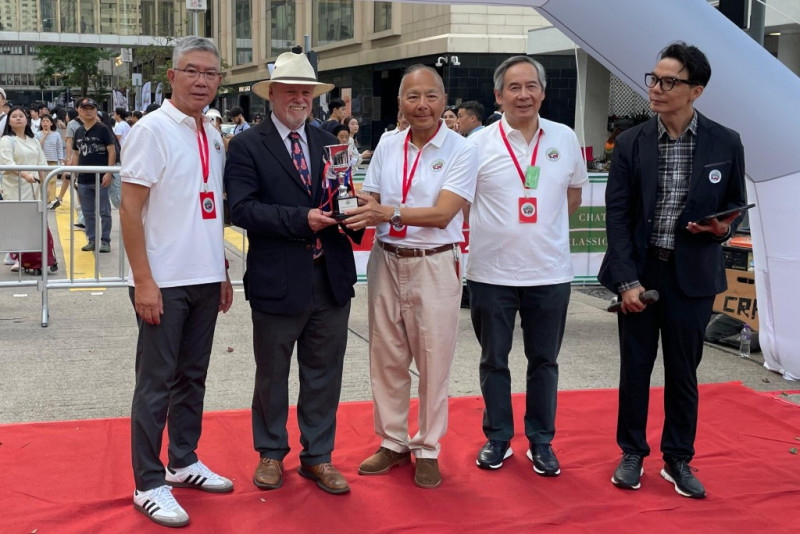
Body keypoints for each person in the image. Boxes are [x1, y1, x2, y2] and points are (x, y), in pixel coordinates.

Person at [598, 42, 746, 499]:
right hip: (642, 274)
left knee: (684, 372)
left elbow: (734, 207)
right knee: (635, 368)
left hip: (693, 277)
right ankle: (632, 452)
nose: (656, 89)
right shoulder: (632, 141)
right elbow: (617, 216)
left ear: (695, 91)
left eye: (669, 82)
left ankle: (678, 458)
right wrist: (627, 281)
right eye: (654, 79)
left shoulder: (725, 141)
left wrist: (721, 229)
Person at [224, 50, 362, 496]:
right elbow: (242, 209)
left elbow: (342, 196)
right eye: (291, 91)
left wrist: (355, 212)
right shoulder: (247, 145)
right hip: (277, 281)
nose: (300, 98)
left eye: (306, 91)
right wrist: (301, 219)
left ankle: (318, 456)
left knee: (324, 374)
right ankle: (270, 452)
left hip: (330, 277)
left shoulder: (329, 143)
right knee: (272, 374)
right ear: (272, 95)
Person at [119, 36, 234, 528]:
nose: (201, 81)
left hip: (204, 275)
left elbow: (210, 209)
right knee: (156, 383)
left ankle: (183, 460)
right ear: (172, 76)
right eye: (192, 70)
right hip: (163, 280)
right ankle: (148, 482)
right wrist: (144, 281)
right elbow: (130, 210)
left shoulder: (212, 133)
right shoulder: (151, 130)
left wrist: (221, 270)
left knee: (193, 377)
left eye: (210, 73)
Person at [345, 65, 478, 489]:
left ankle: (428, 447)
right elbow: (373, 197)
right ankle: (393, 441)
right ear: (400, 101)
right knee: (387, 357)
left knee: (433, 360)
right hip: (386, 259)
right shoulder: (388, 144)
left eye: (431, 96)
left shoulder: (462, 149)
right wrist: (343, 195)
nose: (422, 105)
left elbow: (443, 214)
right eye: (413, 96)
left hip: (434, 261)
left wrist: (387, 212)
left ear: (444, 101)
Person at [465, 56, 586, 476]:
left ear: (543, 92)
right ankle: (498, 436)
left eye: (531, 86)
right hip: (490, 273)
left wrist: (540, 231)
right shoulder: (477, 144)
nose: (523, 95)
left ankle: (541, 440)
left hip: (549, 273)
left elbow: (573, 194)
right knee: (493, 360)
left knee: (545, 361)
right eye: (513, 88)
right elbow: (461, 203)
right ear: (498, 96)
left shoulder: (564, 137)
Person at [0, 106, 48, 272]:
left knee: (32, 223)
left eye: (21, 116)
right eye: (14, 116)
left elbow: (42, 163)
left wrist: (45, 184)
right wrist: (25, 175)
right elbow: (7, 163)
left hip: (33, 187)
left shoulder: (33, 140)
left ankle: (24, 257)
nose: (18, 118)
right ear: (9, 122)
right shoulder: (7, 140)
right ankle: (17, 257)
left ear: (27, 120)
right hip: (15, 187)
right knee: (18, 222)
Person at [72, 97, 115, 253]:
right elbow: (75, 154)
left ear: (96, 111)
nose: (88, 111)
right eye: (85, 109)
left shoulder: (103, 129)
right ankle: (92, 239)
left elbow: (112, 150)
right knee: (88, 212)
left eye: (92, 108)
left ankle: (105, 241)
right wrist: (74, 174)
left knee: (104, 212)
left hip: (101, 178)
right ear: (79, 111)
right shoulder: (78, 131)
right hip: (84, 179)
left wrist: (109, 172)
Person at [35, 113, 65, 203]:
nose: (45, 123)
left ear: (51, 123)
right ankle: (43, 199)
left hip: (53, 161)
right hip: (41, 161)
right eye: (43, 121)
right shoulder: (37, 134)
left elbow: (59, 147)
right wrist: (44, 136)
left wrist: (61, 160)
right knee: (42, 181)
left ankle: (51, 200)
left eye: (47, 121)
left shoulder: (56, 134)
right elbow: (37, 147)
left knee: (52, 181)